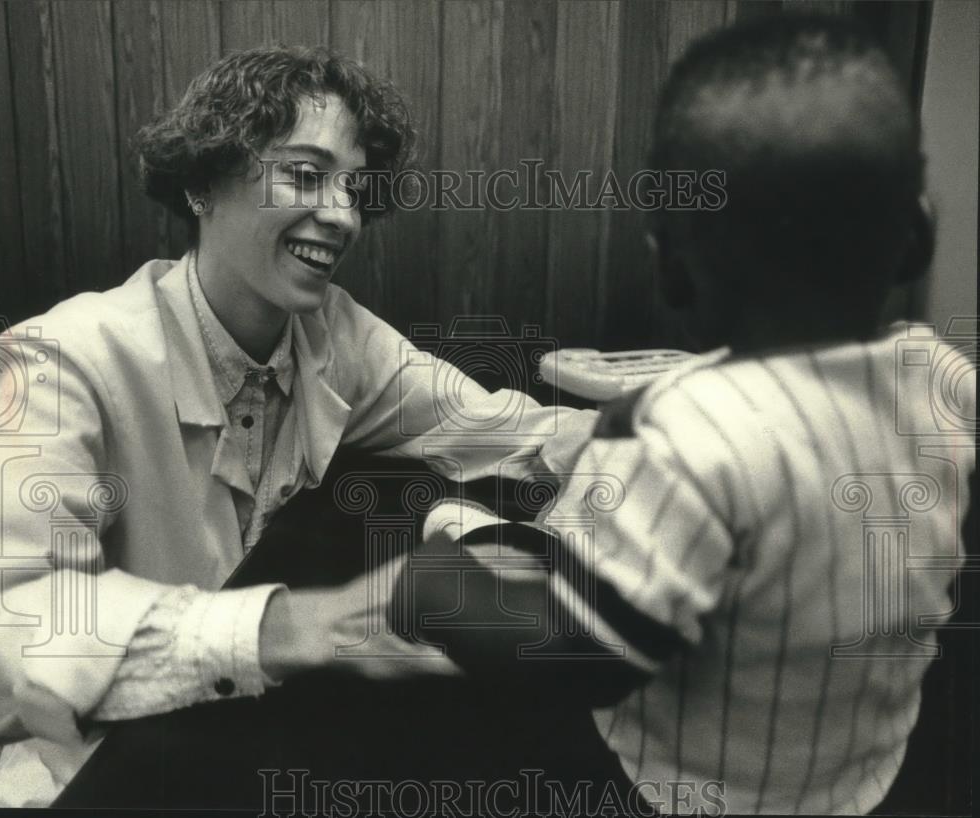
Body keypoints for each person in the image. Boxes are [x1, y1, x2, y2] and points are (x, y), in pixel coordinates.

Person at [0, 47, 595, 807]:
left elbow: (505, 432)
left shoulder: (336, 337)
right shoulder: (59, 358)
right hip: (96, 773)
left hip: (263, 748)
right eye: (305, 175)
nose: (341, 215)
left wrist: (689, 425)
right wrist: (287, 628)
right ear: (203, 182)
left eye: (354, 188)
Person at [408, 14, 975, 815]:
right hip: (864, 770)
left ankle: (455, 538)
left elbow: (578, 665)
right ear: (916, 238)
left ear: (672, 274)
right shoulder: (942, 375)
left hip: (692, 790)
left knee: (494, 563)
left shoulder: (684, 434)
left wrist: (428, 586)